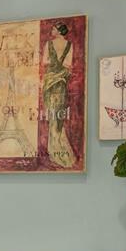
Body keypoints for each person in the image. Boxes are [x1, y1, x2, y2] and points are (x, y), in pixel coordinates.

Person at [41, 22, 76, 168]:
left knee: (51, 113)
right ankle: (59, 149)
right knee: (58, 113)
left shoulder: (48, 44)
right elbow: (68, 66)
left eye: (54, 28)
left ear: (59, 30)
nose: (52, 30)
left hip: (49, 80)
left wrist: (53, 63)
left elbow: (45, 62)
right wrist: (60, 65)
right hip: (61, 80)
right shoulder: (69, 45)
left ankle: (54, 149)